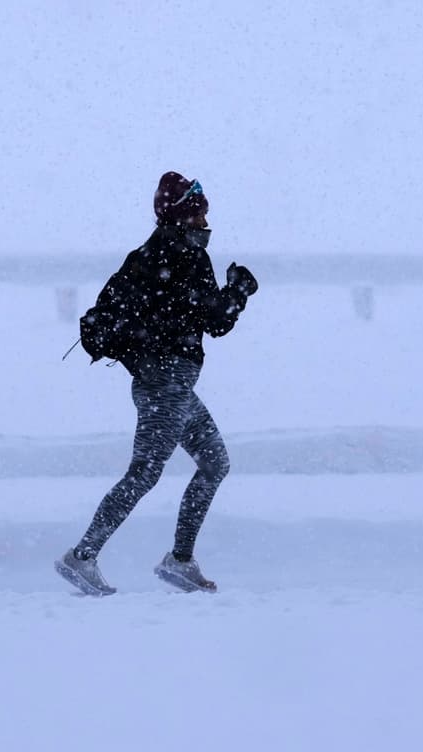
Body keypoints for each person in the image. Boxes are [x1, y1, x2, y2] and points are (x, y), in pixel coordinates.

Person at [55, 171, 258, 595]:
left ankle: (180, 561)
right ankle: (82, 556)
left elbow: (166, 312)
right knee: (145, 472)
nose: (206, 221)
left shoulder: (145, 256)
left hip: (169, 384)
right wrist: (238, 293)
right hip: (166, 384)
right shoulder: (183, 255)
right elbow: (214, 320)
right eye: (200, 213)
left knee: (215, 463)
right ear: (185, 215)